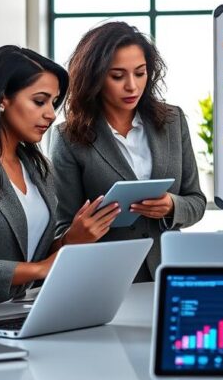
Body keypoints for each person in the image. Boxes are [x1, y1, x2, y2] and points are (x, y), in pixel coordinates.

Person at [0, 46, 120, 309]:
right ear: (2, 98)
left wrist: (71, 239)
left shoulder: (38, 168)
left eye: (53, 102)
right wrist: (41, 269)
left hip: (24, 308)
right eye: (39, 101)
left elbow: (33, 249)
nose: (50, 114)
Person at [51, 22, 206, 282]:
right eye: (117, 76)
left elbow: (197, 202)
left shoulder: (172, 121)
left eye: (140, 73)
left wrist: (172, 206)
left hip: (168, 271)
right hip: (106, 276)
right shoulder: (69, 137)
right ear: (95, 77)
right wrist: (87, 228)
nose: (132, 86)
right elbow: (63, 227)